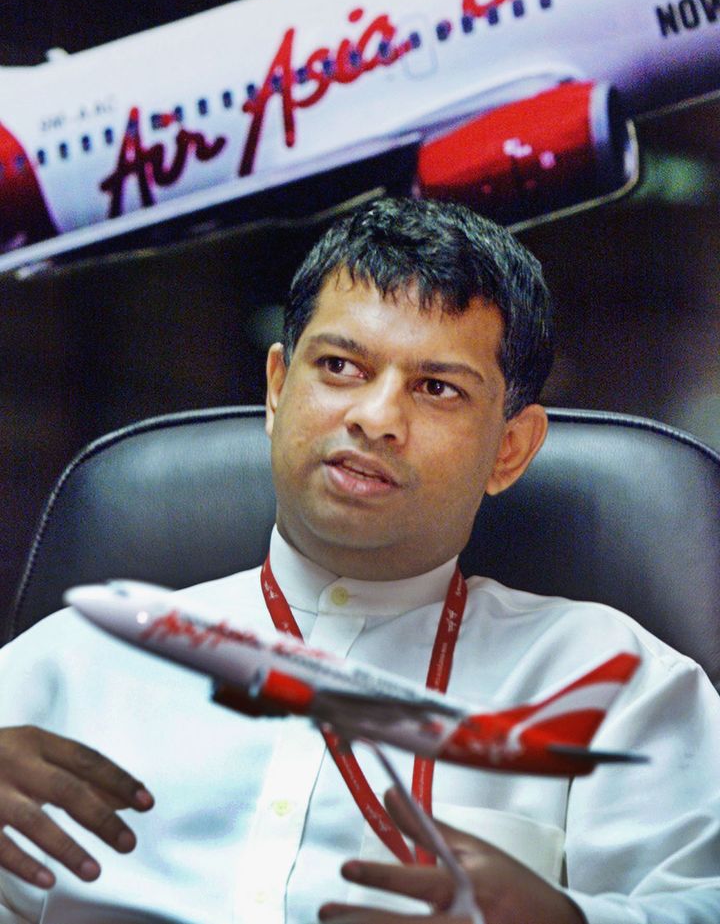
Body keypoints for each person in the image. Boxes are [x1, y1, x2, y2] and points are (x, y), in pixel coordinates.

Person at [0, 198, 718, 924]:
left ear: (510, 448)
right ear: (278, 387)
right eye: (341, 365)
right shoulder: (75, 662)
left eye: (437, 387)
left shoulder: (616, 684)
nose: (375, 417)